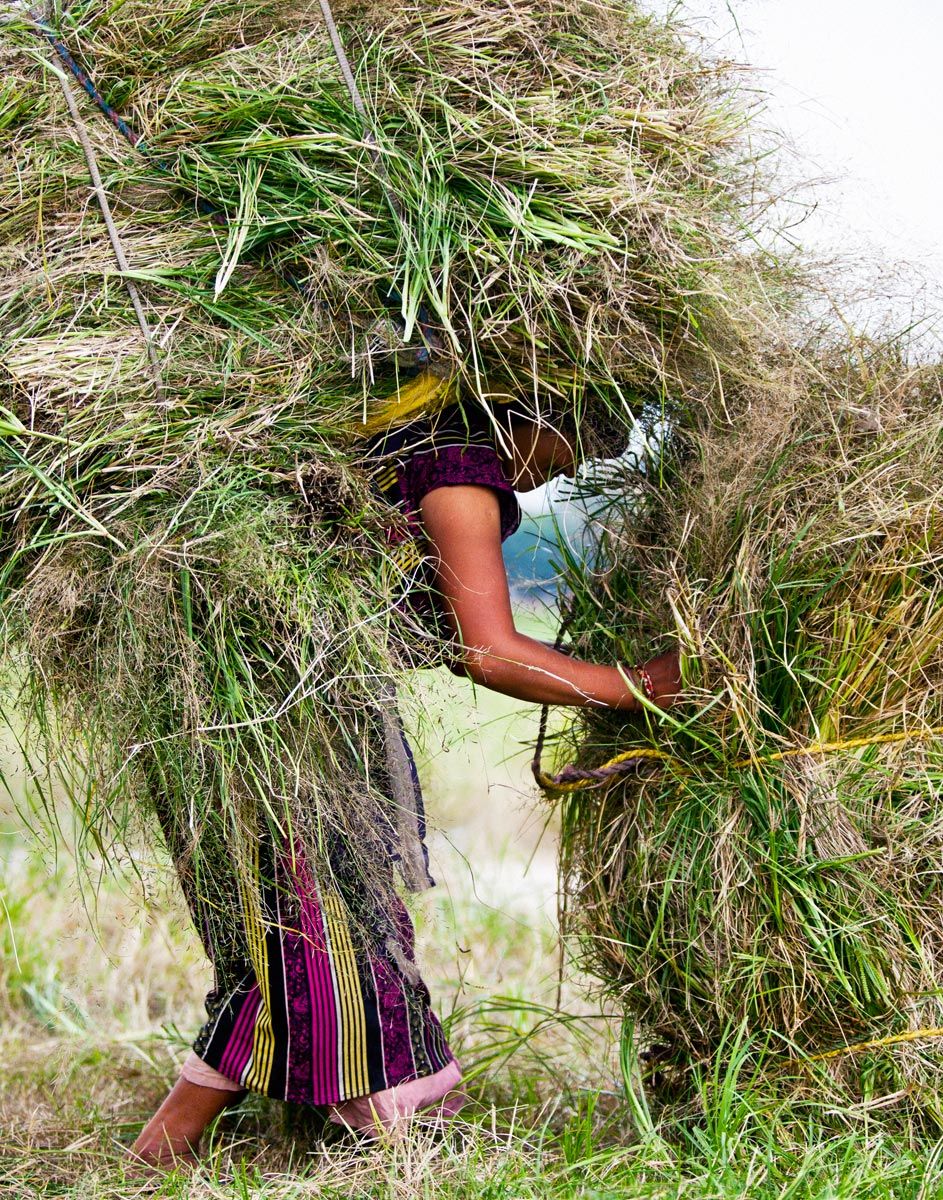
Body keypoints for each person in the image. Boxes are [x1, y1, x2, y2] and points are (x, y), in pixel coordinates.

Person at [130, 378, 680, 1170]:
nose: (563, 472)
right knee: (315, 944)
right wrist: (635, 686)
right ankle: (169, 1152)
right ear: (535, 417)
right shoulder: (458, 470)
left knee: (297, 938)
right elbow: (487, 652)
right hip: (280, 724)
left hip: (219, 709)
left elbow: (447, 633)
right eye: (575, 450)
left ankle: (213, 1145)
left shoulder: (397, 450)